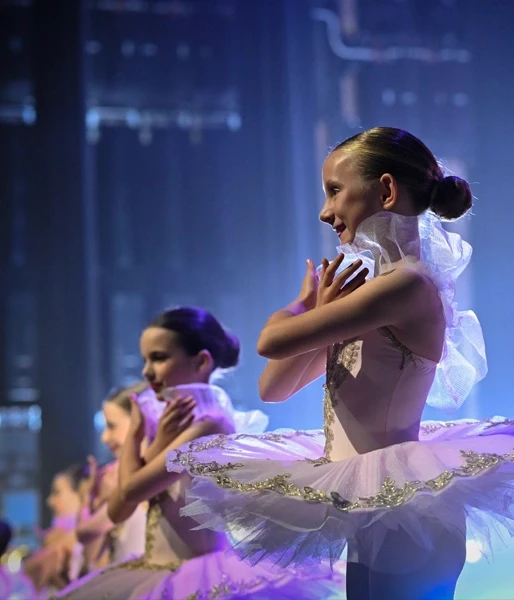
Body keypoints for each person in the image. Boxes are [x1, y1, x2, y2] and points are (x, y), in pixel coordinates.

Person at [166, 127, 514, 600]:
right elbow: (274, 386)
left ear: (386, 190)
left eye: (335, 191)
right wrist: (322, 315)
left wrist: (303, 306)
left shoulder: (406, 287)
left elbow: (270, 341)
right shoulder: (373, 292)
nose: (325, 212)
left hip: (403, 509)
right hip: (372, 503)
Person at [53, 306, 343, 600]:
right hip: (157, 568)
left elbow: (130, 491)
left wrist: (135, 436)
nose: (146, 371)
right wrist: (150, 436)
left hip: (196, 574)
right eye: (145, 359)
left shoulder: (210, 423)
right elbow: (118, 511)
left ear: (202, 361)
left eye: (159, 357)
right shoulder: (169, 423)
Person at [74, 382, 148, 574]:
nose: (105, 438)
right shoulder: (113, 475)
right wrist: (96, 500)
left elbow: (85, 532)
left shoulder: (143, 473)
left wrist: (89, 499)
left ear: (138, 421)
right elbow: (90, 556)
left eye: (111, 426)